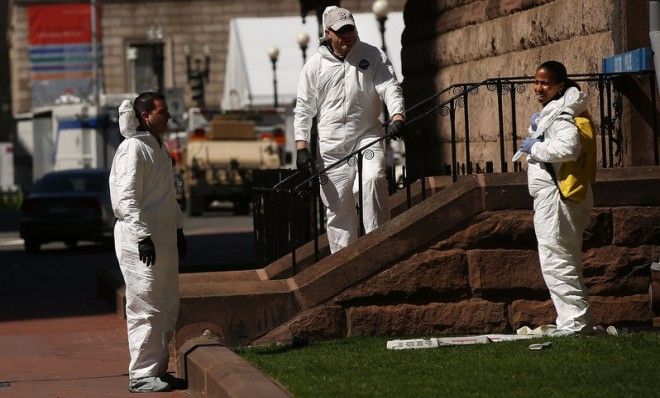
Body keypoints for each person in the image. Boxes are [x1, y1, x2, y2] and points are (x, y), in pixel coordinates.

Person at [293, 6, 405, 253]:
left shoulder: (372, 55)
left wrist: (397, 114)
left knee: (374, 179)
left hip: (367, 134)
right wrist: (301, 146)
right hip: (332, 146)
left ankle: (379, 246)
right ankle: (344, 261)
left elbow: (389, 85)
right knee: (338, 209)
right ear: (328, 33)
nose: (347, 36)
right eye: (341, 31)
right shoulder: (314, 66)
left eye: (350, 29)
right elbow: (303, 109)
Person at [109, 92, 187, 392]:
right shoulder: (133, 149)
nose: (167, 117)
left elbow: (166, 196)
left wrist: (178, 230)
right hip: (140, 241)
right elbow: (126, 199)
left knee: (166, 304)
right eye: (162, 112)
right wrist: (142, 237)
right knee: (145, 303)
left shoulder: (158, 148)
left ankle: (156, 369)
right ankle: (141, 374)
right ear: (145, 116)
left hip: (162, 238)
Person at [517, 60, 593, 337]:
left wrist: (535, 146)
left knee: (556, 260)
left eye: (545, 83)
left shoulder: (561, 115)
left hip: (556, 198)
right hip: (559, 196)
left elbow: (568, 148)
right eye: (536, 82)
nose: (538, 88)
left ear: (560, 86)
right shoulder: (559, 110)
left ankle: (575, 322)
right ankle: (576, 320)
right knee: (564, 259)